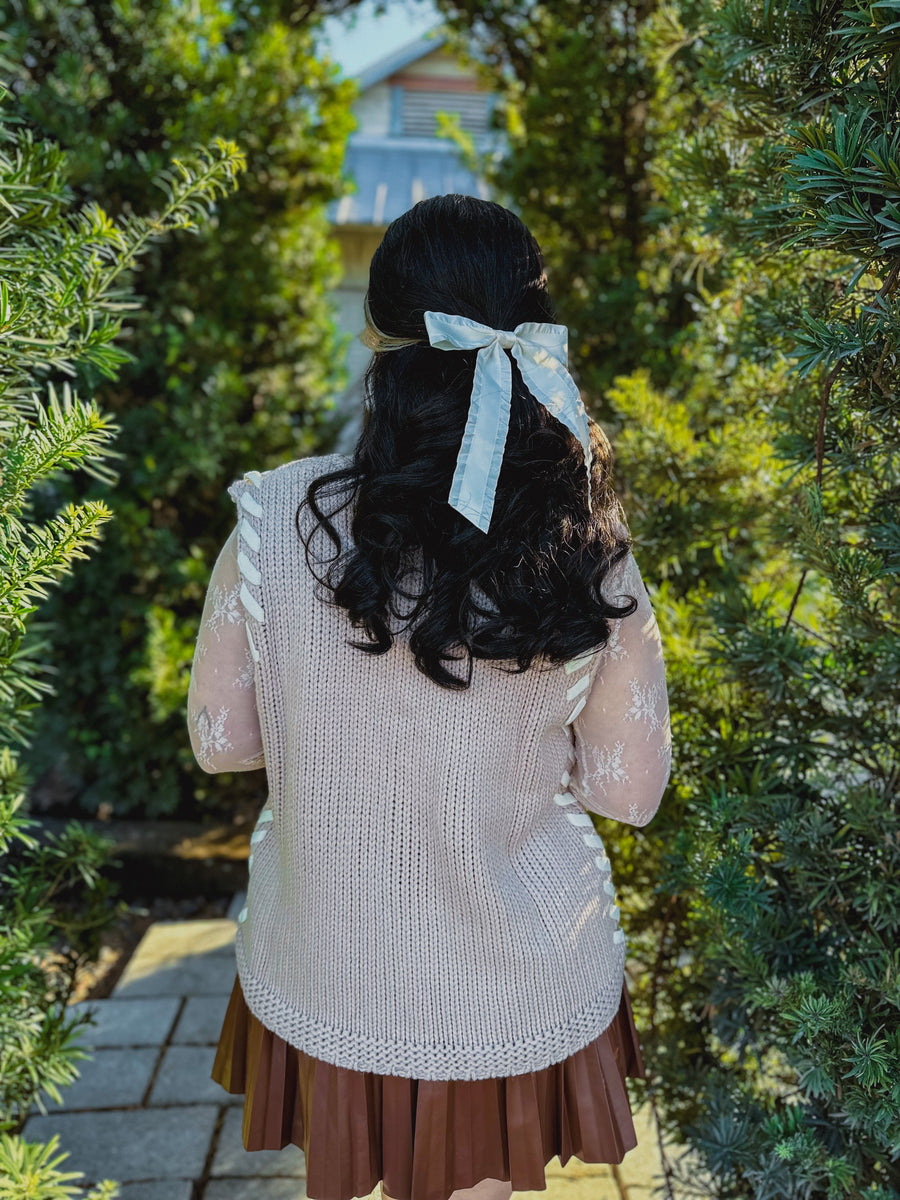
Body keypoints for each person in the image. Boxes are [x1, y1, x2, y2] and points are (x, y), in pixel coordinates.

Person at [187, 193, 672, 1200]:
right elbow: (629, 790)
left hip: (334, 950)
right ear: (533, 324)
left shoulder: (274, 515)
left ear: (380, 335)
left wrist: (343, 727)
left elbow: (224, 739)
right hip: (517, 973)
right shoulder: (589, 546)